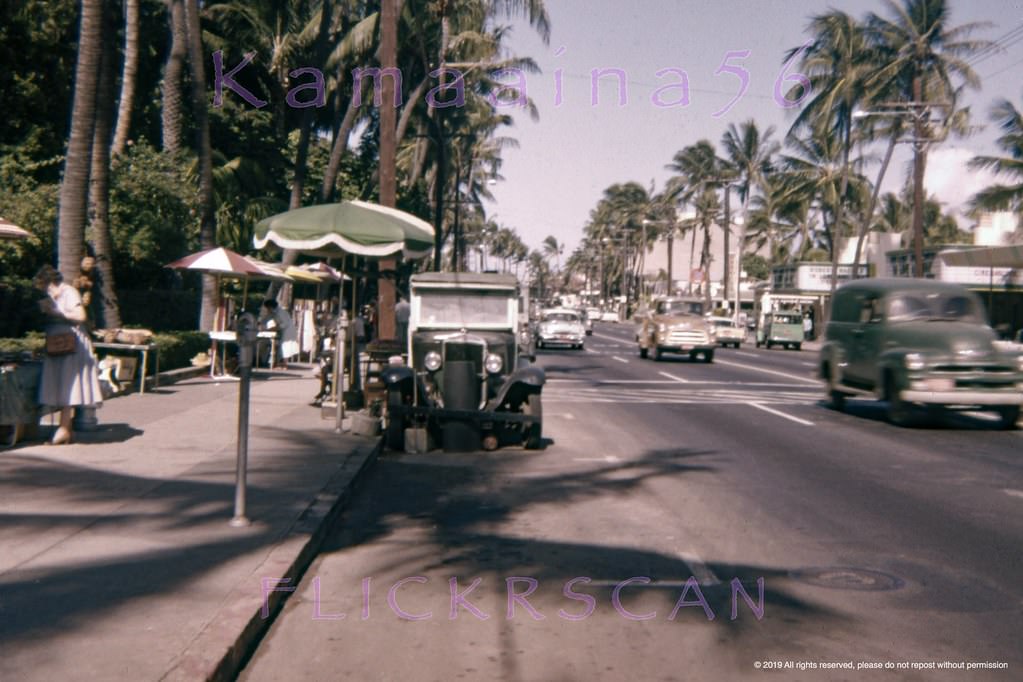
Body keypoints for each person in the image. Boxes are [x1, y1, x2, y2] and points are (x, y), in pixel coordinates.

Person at [34, 265, 103, 445]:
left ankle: (64, 428)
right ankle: (66, 429)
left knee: (67, 384)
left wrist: (58, 312)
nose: (47, 291)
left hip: (71, 344)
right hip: (58, 343)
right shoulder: (53, 296)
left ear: (51, 282)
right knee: (62, 384)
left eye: (47, 287)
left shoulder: (69, 292)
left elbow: (80, 316)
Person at [259, 299, 299, 369]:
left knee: (286, 347)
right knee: (283, 347)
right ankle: (281, 364)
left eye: (268, 308)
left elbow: (284, 324)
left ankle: (284, 365)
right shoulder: (276, 312)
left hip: (288, 331)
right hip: (286, 330)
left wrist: (275, 328)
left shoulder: (281, 312)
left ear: (271, 307)